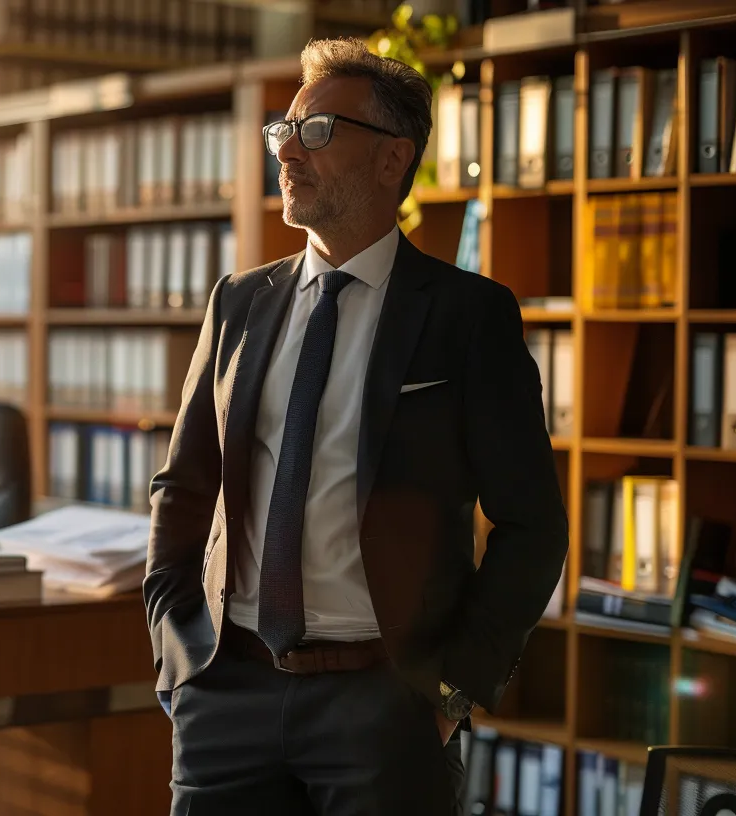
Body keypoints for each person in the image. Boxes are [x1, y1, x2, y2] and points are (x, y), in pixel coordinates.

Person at [143, 37, 569, 815]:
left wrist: (450, 692)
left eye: (317, 132)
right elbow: (183, 487)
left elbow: (533, 526)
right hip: (225, 691)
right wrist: (177, 656)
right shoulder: (238, 303)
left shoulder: (467, 318)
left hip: (385, 705)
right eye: (284, 132)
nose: (288, 153)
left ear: (391, 159)